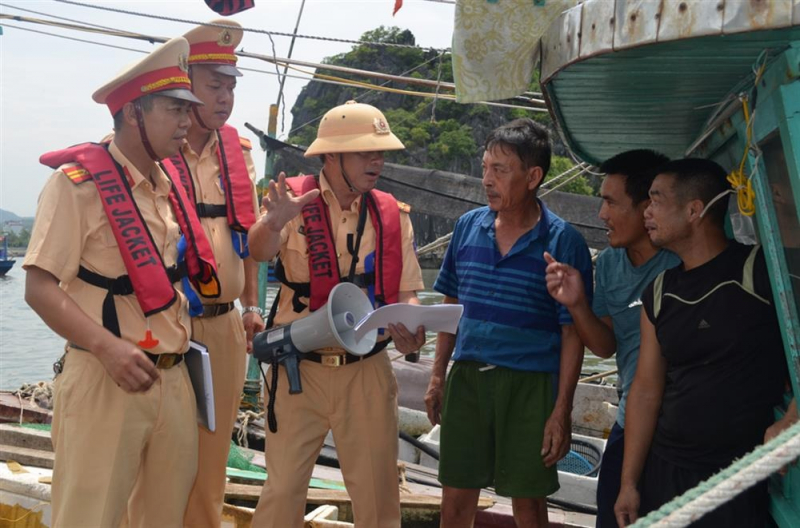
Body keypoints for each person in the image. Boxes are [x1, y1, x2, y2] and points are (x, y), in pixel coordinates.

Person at [24, 38, 219, 527]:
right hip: (105, 379)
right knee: (90, 517)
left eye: (187, 110)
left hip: (173, 379)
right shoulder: (77, 186)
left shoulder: (167, 186)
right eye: (175, 110)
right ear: (134, 112)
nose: (185, 123)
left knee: (163, 518)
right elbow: (39, 286)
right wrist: (107, 348)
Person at [247, 101, 427, 528]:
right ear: (331, 155)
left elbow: (407, 293)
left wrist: (413, 327)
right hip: (297, 371)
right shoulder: (291, 198)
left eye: (380, 151)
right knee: (282, 491)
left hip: (366, 370)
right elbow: (257, 251)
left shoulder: (392, 216)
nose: (377, 160)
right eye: (366, 151)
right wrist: (273, 223)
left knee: (379, 497)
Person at [424, 118, 593, 527]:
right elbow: (452, 306)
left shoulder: (563, 241)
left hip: (531, 385)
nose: (487, 179)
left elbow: (572, 333)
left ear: (533, 176)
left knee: (529, 505)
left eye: (499, 170)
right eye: (484, 168)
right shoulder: (467, 227)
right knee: (455, 498)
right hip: (468, 380)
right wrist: (437, 374)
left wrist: (561, 410)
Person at [614, 158, 796, 527]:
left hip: (735, 476)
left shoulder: (759, 272)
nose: (647, 211)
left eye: (656, 199)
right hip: (665, 470)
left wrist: (793, 418)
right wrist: (629, 482)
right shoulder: (661, 291)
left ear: (694, 210)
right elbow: (647, 390)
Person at [543, 149, 679, 527]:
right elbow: (604, 346)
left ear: (646, 208)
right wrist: (576, 304)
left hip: (678, 425)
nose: (601, 214)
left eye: (610, 202)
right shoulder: (609, 263)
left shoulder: (682, 261)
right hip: (628, 420)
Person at [173, 20, 265, 527]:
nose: (226, 97)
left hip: (226, 326)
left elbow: (247, 237)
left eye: (231, 85)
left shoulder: (239, 155)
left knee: (212, 462)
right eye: (215, 84)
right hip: (170, 324)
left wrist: (252, 307)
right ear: (185, 82)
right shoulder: (157, 149)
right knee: (160, 453)